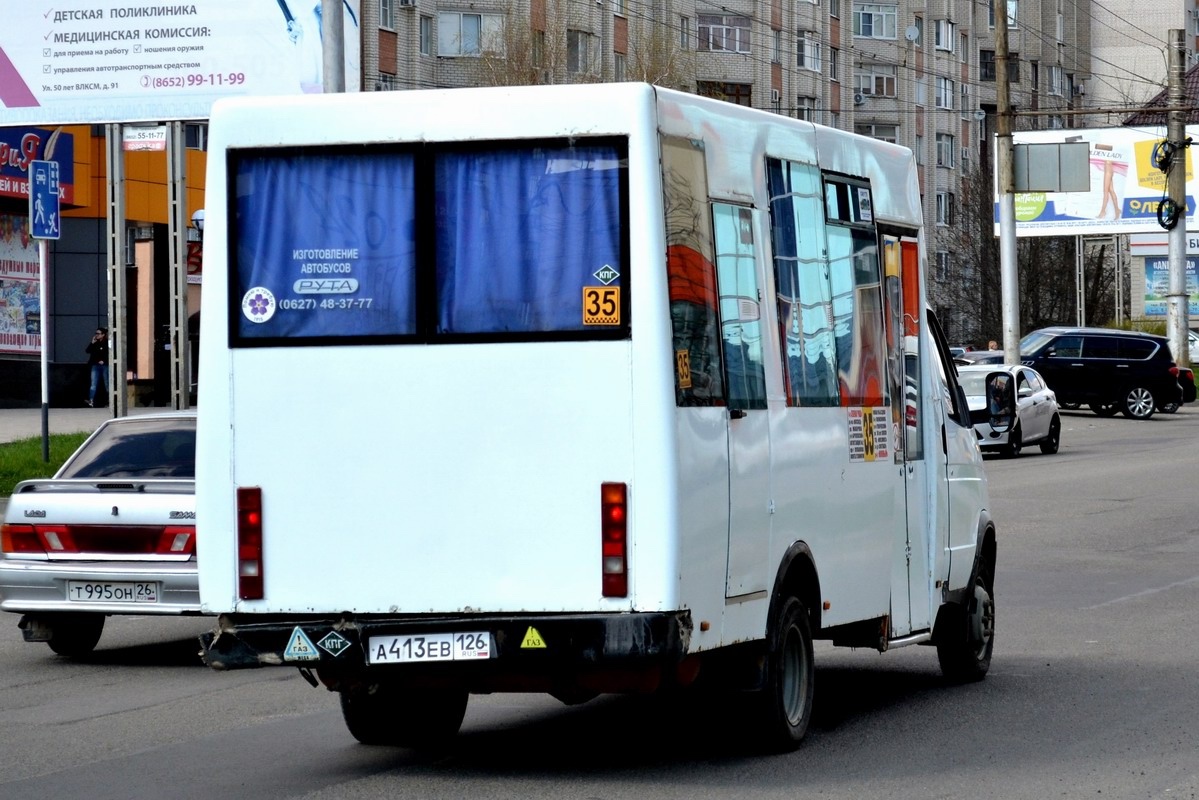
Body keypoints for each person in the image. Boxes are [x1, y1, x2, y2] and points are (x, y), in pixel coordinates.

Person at [86, 328, 108, 407]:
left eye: (98, 334)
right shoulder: (95, 343)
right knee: (93, 383)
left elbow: (109, 353)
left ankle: (109, 401)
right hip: (95, 364)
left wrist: (104, 361)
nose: (96, 335)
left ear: (103, 334)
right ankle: (91, 400)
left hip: (105, 365)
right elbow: (87, 351)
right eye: (96, 333)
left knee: (107, 383)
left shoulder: (107, 343)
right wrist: (92, 343)